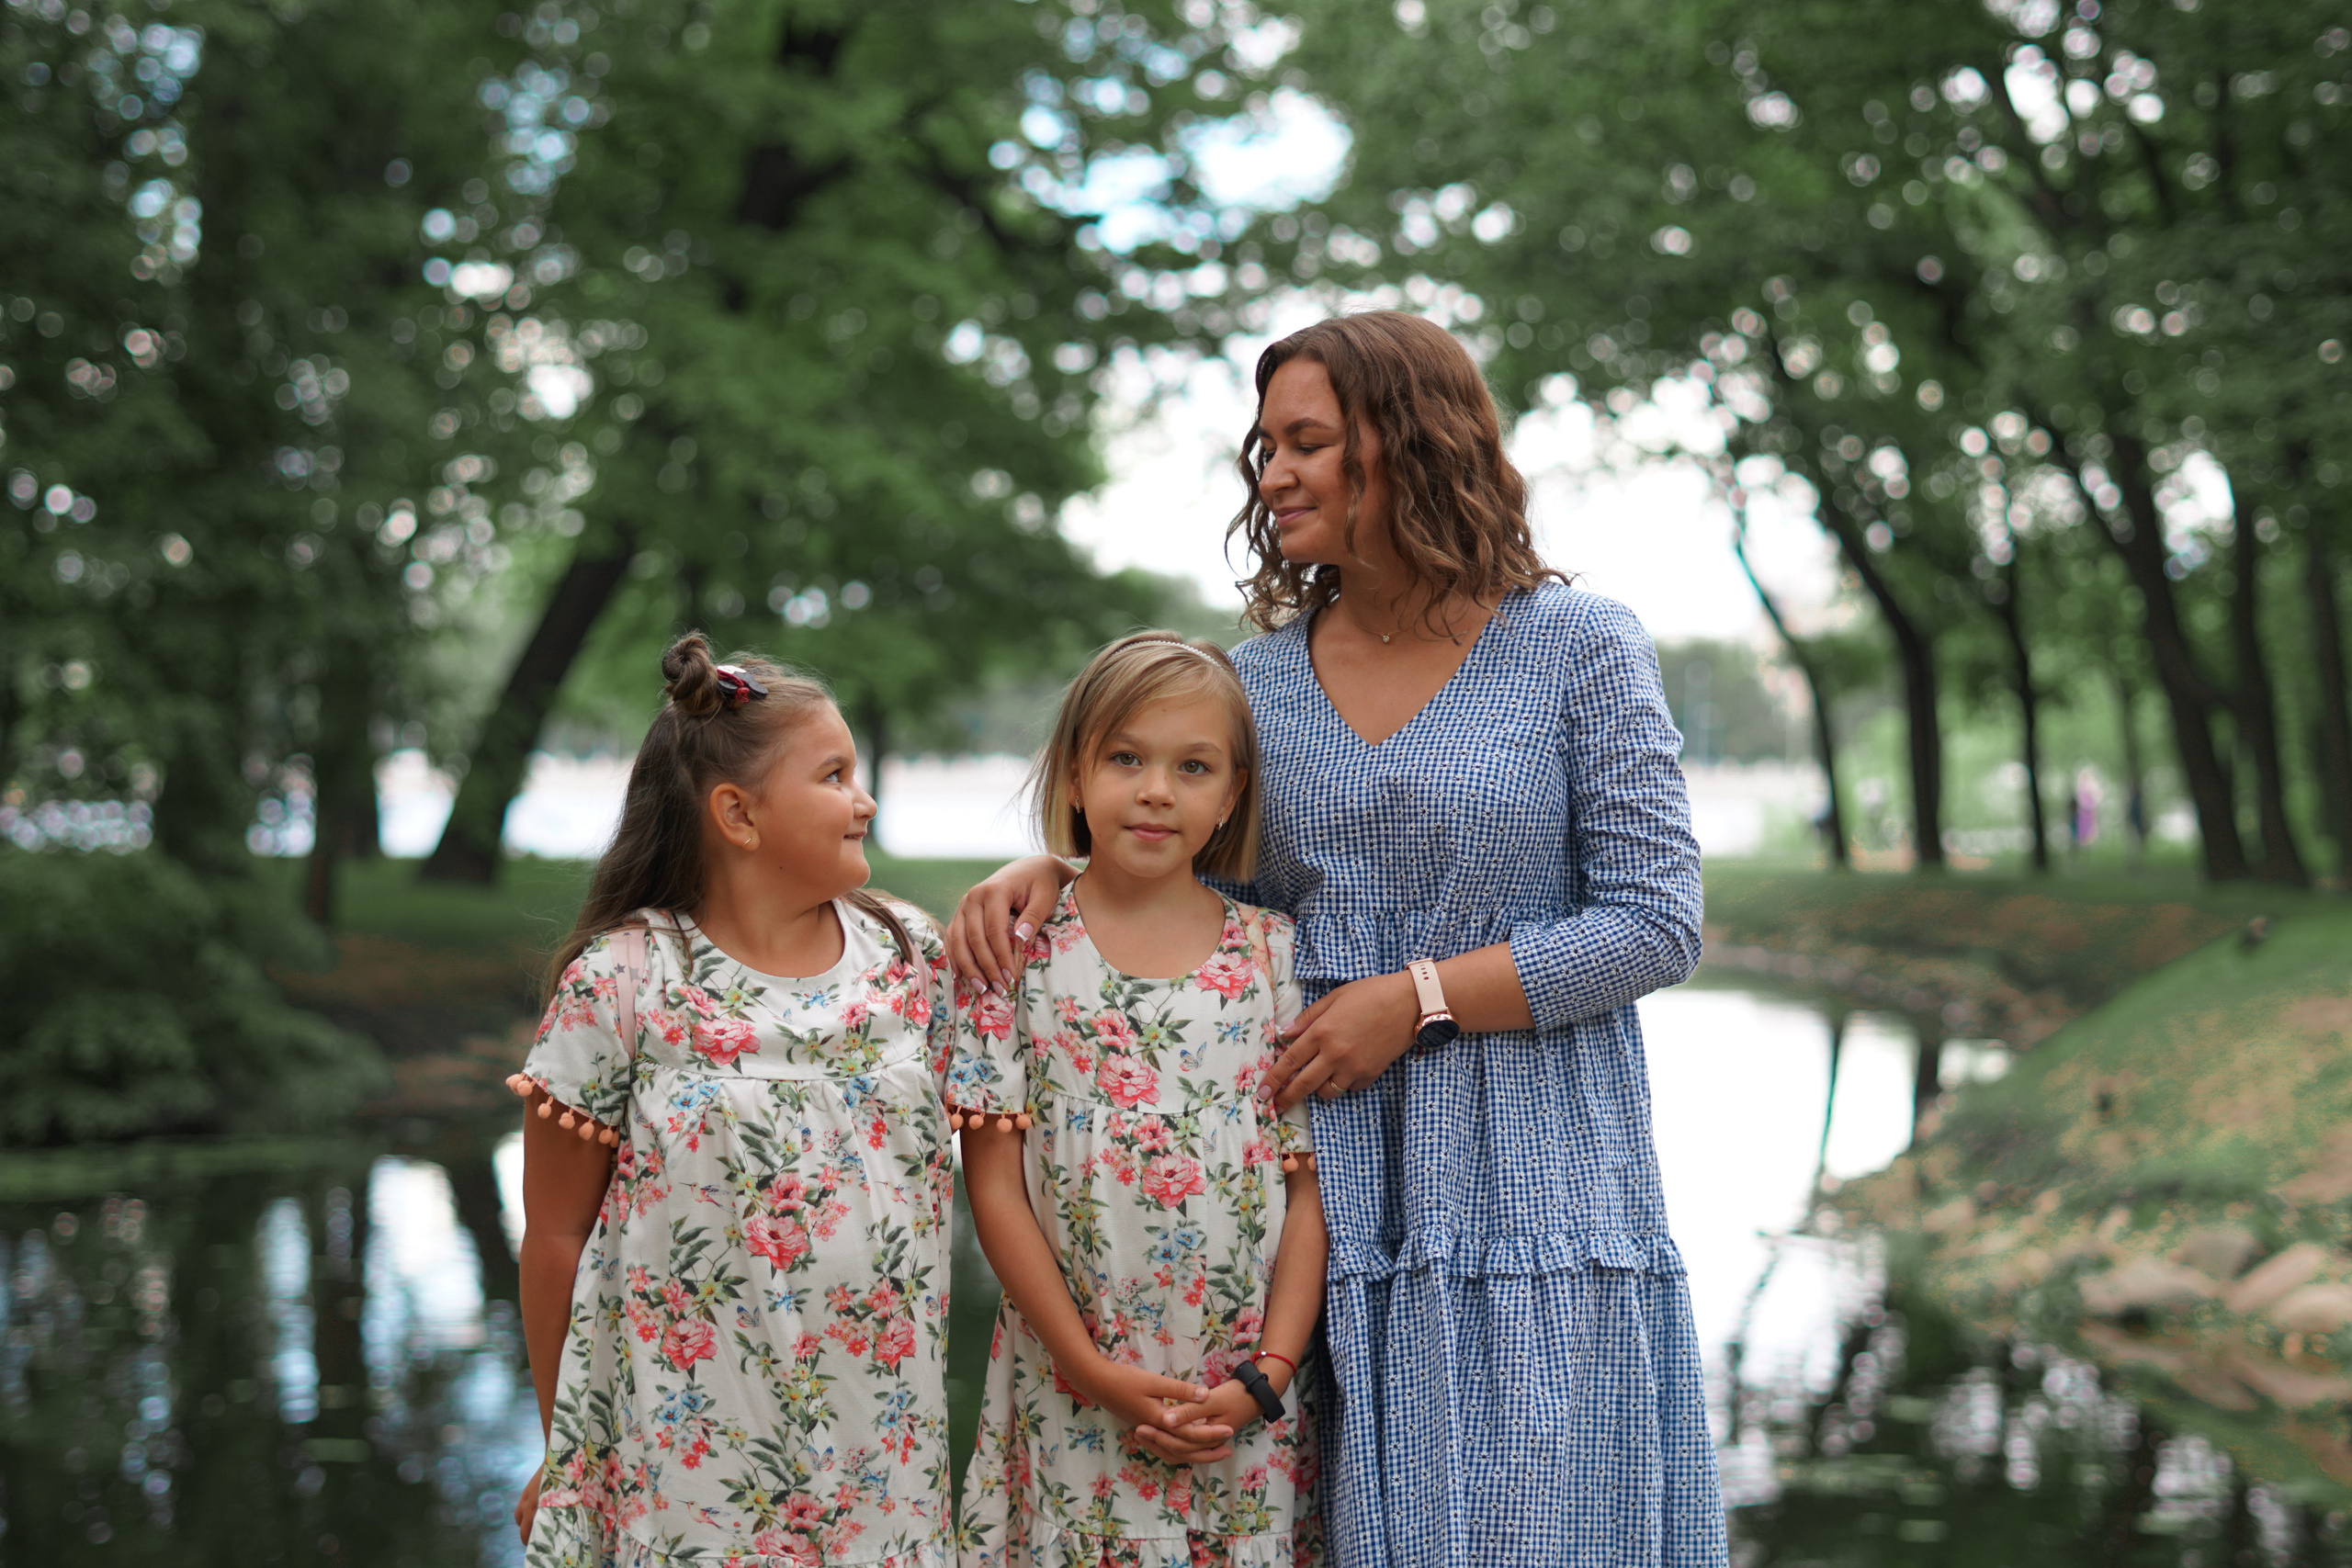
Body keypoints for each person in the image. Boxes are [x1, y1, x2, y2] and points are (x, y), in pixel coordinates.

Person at [947, 312, 1725, 1567]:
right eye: (1265, 446)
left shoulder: (1580, 648)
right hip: (1316, 1201)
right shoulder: (1252, 682)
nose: (1273, 473)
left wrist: (1413, 996)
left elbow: (1654, 920)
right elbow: (1175, 850)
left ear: (1409, 444)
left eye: (1308, 440)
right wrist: (1056, 863)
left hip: (1534, 1178)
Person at [508, 633, 957, 1568]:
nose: (863, 800)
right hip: (686, 1461)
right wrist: (566, 1449)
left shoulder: (912, 959)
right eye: (834, 776)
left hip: (884, 1450)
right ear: (738, 815)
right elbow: (554, 1237)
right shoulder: (624, 981)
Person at [949, 631, 1328, 1568]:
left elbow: (1308, 1186)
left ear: (1230, 794)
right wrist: (1089, 1370)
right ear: (1075, 774)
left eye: (1192, 766)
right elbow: (993, 1187)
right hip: (1073, 1382)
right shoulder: (1017, 953)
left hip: (1246, 1398)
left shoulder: (1274, 957)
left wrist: (1270, 1373)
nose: (1156, 789)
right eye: (1126, 758)